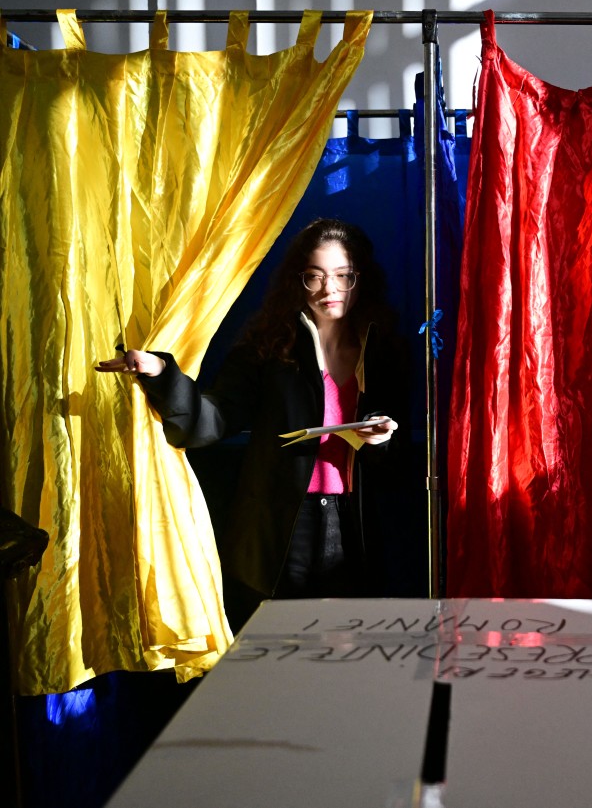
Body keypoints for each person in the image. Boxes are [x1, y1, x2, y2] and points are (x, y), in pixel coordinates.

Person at [97, 218, 415, 629]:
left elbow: (397, 461)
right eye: (315, 276)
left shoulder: (383, 349)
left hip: (355, 524)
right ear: (297, 282)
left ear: (360, 279)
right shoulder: (268, 348)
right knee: (278, 656)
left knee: (349, 655)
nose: (329, 289)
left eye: (342, 276)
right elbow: (211, 421)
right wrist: (162, 374)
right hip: (279, 525)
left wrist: (378, 439)